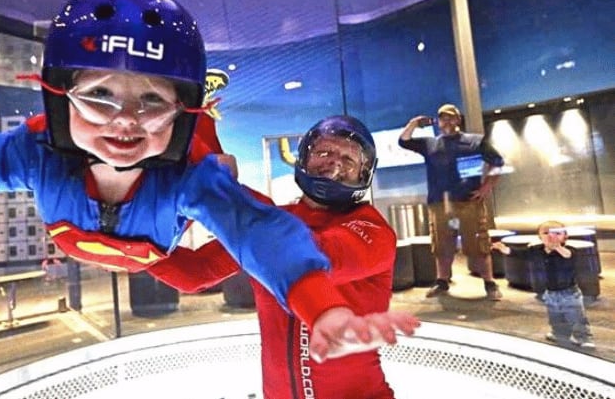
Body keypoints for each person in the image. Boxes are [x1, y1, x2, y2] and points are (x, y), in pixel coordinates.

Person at [0, 0, 417, 361]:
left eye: (151, 99)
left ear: (183, 110)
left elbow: (260, 234)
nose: (125, 122)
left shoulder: (194, 178)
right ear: (59, 98)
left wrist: (323, 307)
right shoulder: (37, 152)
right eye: (98, 95)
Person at [149, 115, 408, 398]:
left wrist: (224, 192)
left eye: (348, 159)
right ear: (303, 160)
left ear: (363, 173)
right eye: (324, 152)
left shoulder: (373, 231)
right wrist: (128, 247)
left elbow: (304, 257)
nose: (334, 163)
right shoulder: (268, 227)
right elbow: (194, 273)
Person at [399, 103, 504, 300]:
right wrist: (413, 123)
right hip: (440, 204)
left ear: (458, 120)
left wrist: (487, 187)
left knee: (479, 244)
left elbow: (498, 163)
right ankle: (442, 282)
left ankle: (490, 283)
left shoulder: (475, 141)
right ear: (438, 122)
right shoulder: (430, 144)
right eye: (442, 118)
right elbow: (403, 141)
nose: (446, 121)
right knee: (442, 245)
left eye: (450, 117)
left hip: (469, 203)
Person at [492, 221, 595, 349]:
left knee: (576, 317)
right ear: (540, 237)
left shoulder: (569, 250)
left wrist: (557, 247)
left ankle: (583, 337)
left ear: (565, 236)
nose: (551, 236)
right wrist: (504, 249)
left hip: (570, 293)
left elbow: (568, 256)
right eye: (546, 233)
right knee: (555, 317)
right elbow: (520, 253)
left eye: (557, 233)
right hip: (550, 292)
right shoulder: (536, 250)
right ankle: (559, 334)